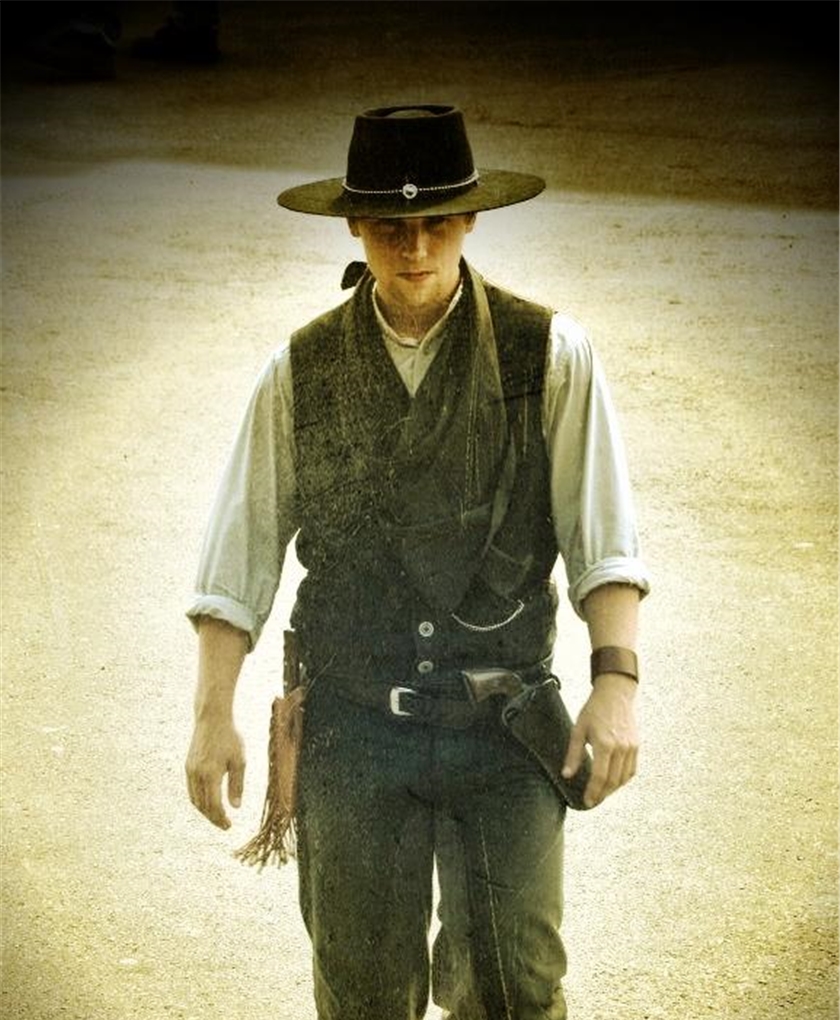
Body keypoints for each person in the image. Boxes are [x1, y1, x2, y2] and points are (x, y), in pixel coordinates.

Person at [185, 104, 650, 1020]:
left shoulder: (548, 354)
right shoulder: (300, 370)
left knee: (515, 986)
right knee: (361, 993)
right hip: (356, 726)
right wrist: (212, 716)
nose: (415, 247)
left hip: (502, 720)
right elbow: (237, 558)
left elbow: (604, 542)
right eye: (392, 226)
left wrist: (617, 683)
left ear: (470, 219)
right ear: (355, 226)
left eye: (437, 221)